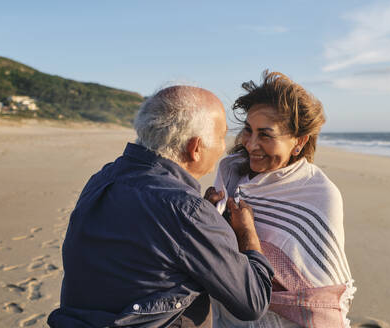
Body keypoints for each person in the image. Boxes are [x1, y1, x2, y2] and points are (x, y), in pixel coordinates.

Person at [48, 86, 274, 328]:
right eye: (222, 136)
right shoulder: (187, 211)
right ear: (195, 148)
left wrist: (202, 222)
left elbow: (144, 245)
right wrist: (245, 232)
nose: (223, 148)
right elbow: (253, 302)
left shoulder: (103, 178)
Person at [209, 71, 355, 328]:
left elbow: (317, 291)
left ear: (298, 142)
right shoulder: (231, 176)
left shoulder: (319, 195)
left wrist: (245, 234)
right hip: (227, 314)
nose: (251, 144)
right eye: (248, 130)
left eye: (265, 135)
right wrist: (206, 216)